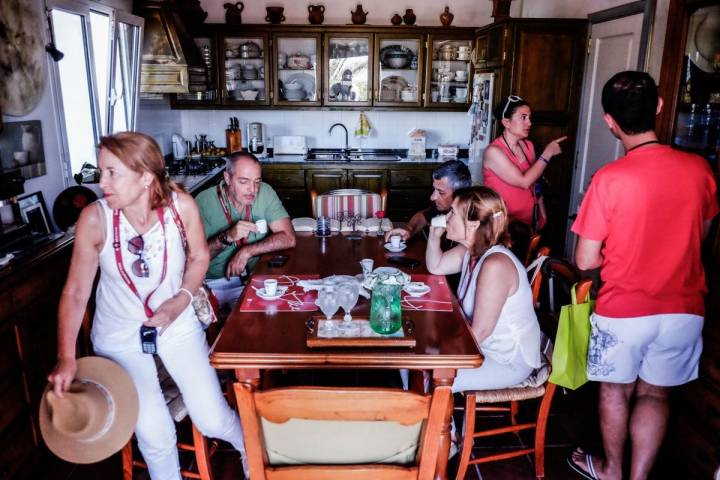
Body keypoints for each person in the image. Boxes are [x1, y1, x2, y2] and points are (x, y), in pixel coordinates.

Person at [47, 132, 248, 479]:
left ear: (145, 177)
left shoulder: (180, 206)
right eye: (101, 172)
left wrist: (179, 301)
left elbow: (199, 256)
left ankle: (250, 451)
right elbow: (77, 292)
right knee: (154, 434)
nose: (102, 183)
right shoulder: (94, 219)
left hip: (177, 319)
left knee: (212, 417)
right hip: (120, 334)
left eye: (113, 173)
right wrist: (66, 356)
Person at [570, 71, 719, 480]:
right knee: (656, 394)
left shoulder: (609, 179)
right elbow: (701, 237)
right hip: (684, 308)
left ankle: (611, 469)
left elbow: (586, 259)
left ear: (609, 121)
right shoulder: (699, 170)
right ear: (658, 107)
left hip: (623, 309)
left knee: (615, 391)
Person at [425, 186, 541, 391]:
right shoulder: (471, 251)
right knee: (413, 365)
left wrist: (436, 354)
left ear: (472, 225)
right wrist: (434, 236)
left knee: (430, 378)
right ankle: (426, 417)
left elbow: (481, 331)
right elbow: (436, 266)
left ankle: (441, 422)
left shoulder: (495, 265)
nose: (446, 217)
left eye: (453, 212)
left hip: (504, 359)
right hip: (480, 348)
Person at [195, 152, 296, 309]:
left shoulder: (265, 192)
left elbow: (288, 237)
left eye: (257, 182)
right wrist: (227, 237)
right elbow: (193, 259)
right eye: (244, 182)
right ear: (227, 178)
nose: (252, 190)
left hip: (251, 279)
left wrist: (246, 251)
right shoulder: (203, 201)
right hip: (210, 283)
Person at [482, 95, 567, 228]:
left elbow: (535, 181)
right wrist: (548, 153)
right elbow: (524, 182)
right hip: (503, 226)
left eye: (529, 117)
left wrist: (541, 213)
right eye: (523, 117)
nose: (529, 123)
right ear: (506, 122)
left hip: (529, 221)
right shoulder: (493, 152)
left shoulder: (528, 146)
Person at [384, 159, 471, 245]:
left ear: (460, 194)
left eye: (441, 192)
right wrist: (409, 230)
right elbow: (422, 216)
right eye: (434, 190)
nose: (432, 197)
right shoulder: (443, 208)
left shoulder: (469, 226)